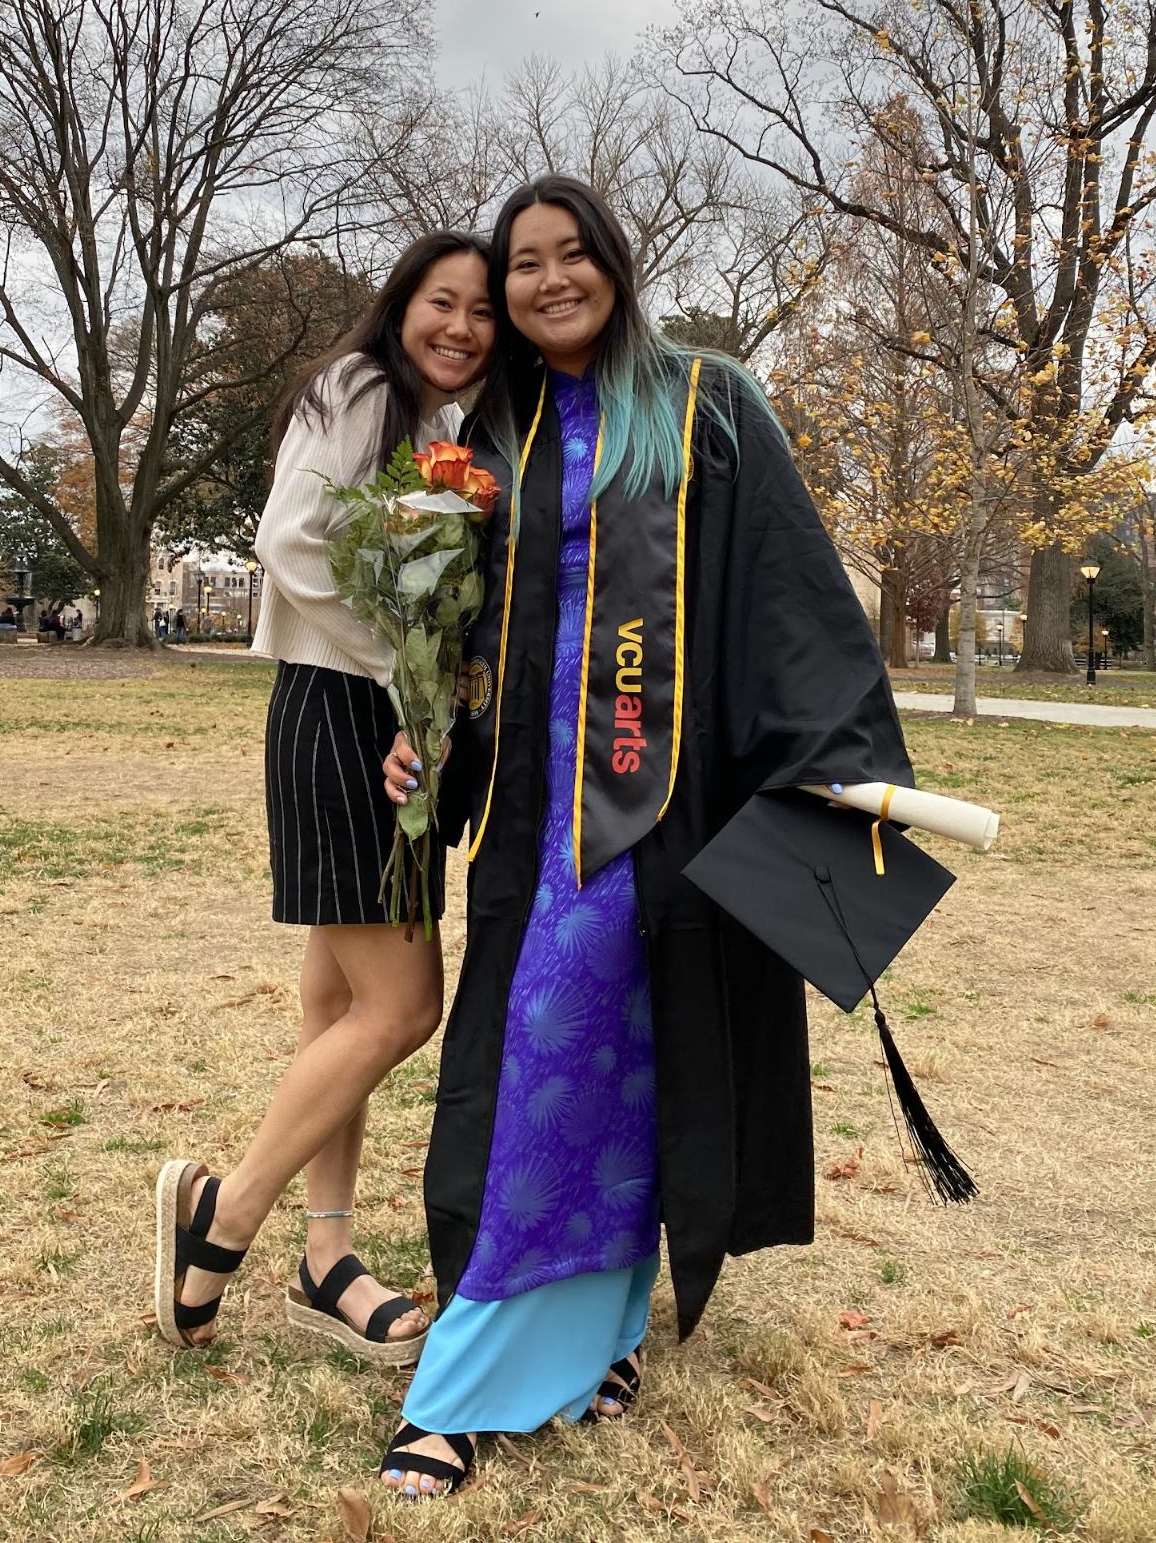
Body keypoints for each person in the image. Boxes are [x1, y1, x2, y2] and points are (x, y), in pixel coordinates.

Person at [376, 177, 916, 1497]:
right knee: (541, 1054)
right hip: (529, 813)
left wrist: (834, 787)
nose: (549, 279)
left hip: (657, 800)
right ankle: (508, 1356)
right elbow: (455, 620)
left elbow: (789, 591)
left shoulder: (706, 401)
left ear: (614, 262)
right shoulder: (488, 427)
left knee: (629, 1054)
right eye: (523, 265)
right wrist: (425, 725)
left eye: (572, 255)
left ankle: (570, 1340)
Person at [154, 230, 497, 1369]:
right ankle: (228, 1215)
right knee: (401, 1010)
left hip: (375, 716)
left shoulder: (458, 429)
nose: (460, 326)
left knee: (335, 1008)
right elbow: (289, 545)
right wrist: (414, 673)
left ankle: (328, 1260)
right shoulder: (360, 388)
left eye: (481, 312)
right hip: (349, 719)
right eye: (440, 302)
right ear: (401, 307)